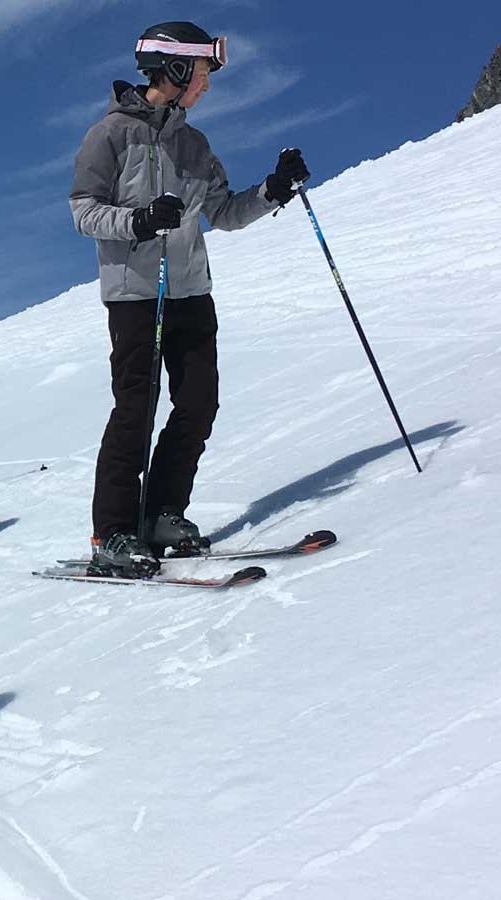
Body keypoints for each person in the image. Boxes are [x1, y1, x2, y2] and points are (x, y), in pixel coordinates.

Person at [70, 20, 312, 577]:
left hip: (191, 293)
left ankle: (161, 515)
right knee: (136, 410)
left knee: (199, 404)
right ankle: (112, 532)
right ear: (173, 70)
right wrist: (139, 220)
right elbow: (84, 210)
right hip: (136, 296)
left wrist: (274, 190)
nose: (206, 86)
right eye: (201, 74)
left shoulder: (195, 145)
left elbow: (223, 212)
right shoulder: (110, 135)